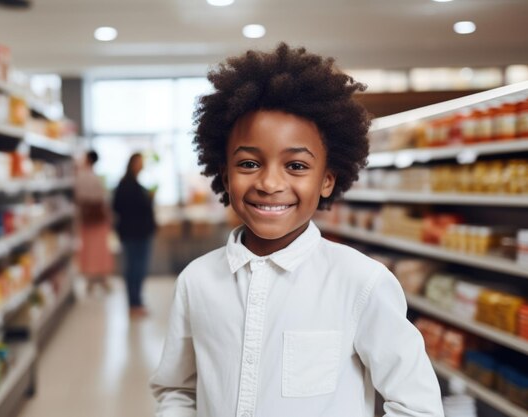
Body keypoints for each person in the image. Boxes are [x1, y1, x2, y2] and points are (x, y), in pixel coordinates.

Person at [150, 43, 443, 416]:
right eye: (249, 163)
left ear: (327, 180)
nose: (270, 183)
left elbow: (418, 406)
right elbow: (177, 389)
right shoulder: (197, 281)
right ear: (225, 176)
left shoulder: (361, 282)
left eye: (297, 166)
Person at [112, 153, 157, 317]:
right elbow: (119, 207)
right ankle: (134, 303)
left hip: (137, 232)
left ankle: (136, 302)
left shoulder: (133, 184)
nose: (142, 165)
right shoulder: (127, 185)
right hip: (135, 233)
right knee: (135, 269)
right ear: (132, 164)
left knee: (136, 268)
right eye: (139, 162)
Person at [75, 150, 113, 294]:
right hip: (98, 219)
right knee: (100, 249)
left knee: (89, 249)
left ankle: (90, 281)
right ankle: (102, 279)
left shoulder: (81, 176)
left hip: (87, 219)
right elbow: (103, 198)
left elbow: (79, 197)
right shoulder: (96, 177)